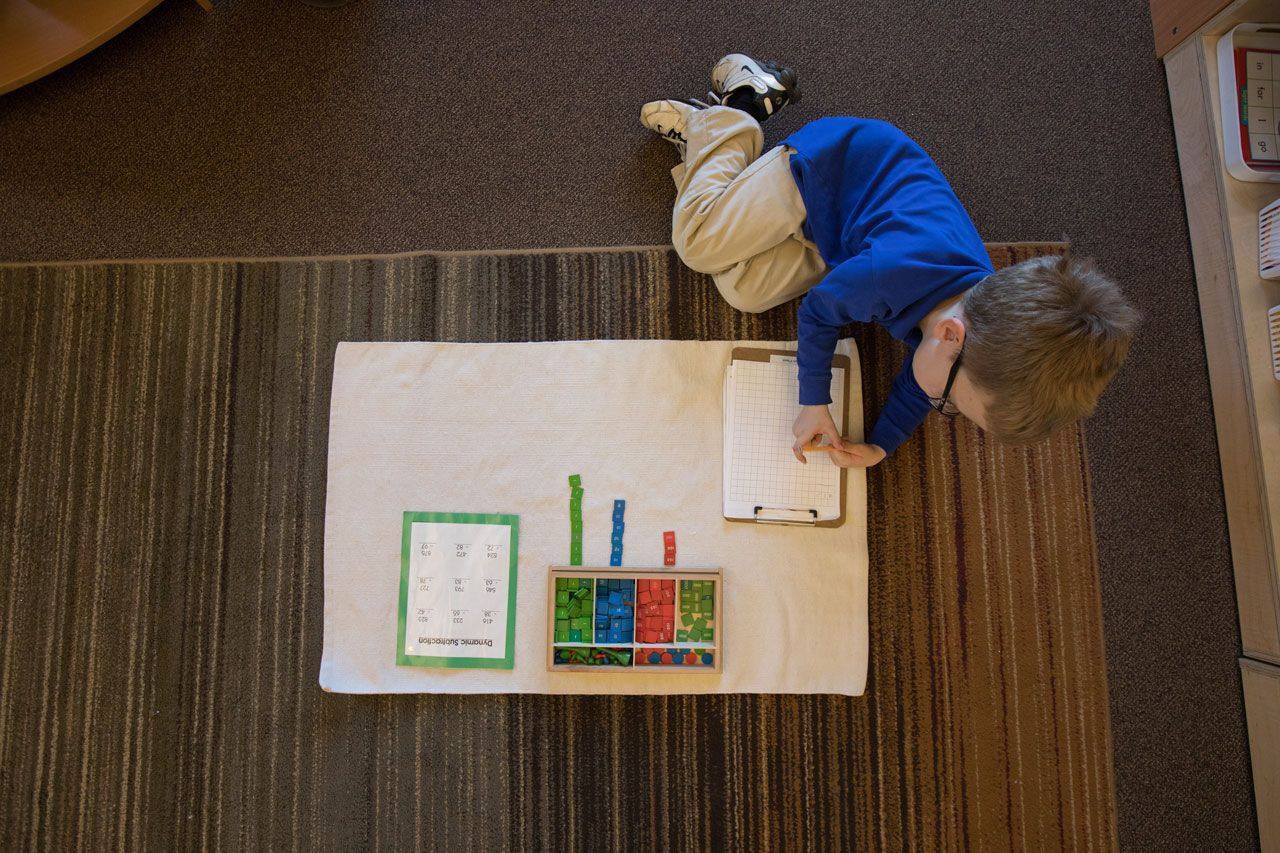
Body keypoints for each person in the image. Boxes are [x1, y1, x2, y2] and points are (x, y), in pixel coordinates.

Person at [640, 53, 1138, 468]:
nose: (938, 405)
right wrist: (814, 400)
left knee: (742, 292)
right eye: (950, 403)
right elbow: (819, 312)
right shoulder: (893, 276)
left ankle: (714, 173)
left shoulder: (964, 324)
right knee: (699, 246)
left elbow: (923, 383)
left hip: (846, 241)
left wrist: (881, 444)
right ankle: (733, 114)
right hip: (824, 171)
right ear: (950, 335)